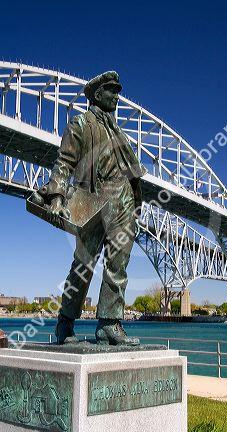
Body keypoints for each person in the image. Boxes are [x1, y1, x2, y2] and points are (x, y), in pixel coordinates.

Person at [46, 71, 147, 345]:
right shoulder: (80, 124)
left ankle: (109, 323)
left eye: (118, 90)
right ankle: (65, 322)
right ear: (97, 93)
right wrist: (56, 194)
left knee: (119, 262)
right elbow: (64, 162)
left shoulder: (119, 133)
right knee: (83, 264)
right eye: (112, 90)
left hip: (123, 199)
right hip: (93, 199)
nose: (117, 95)